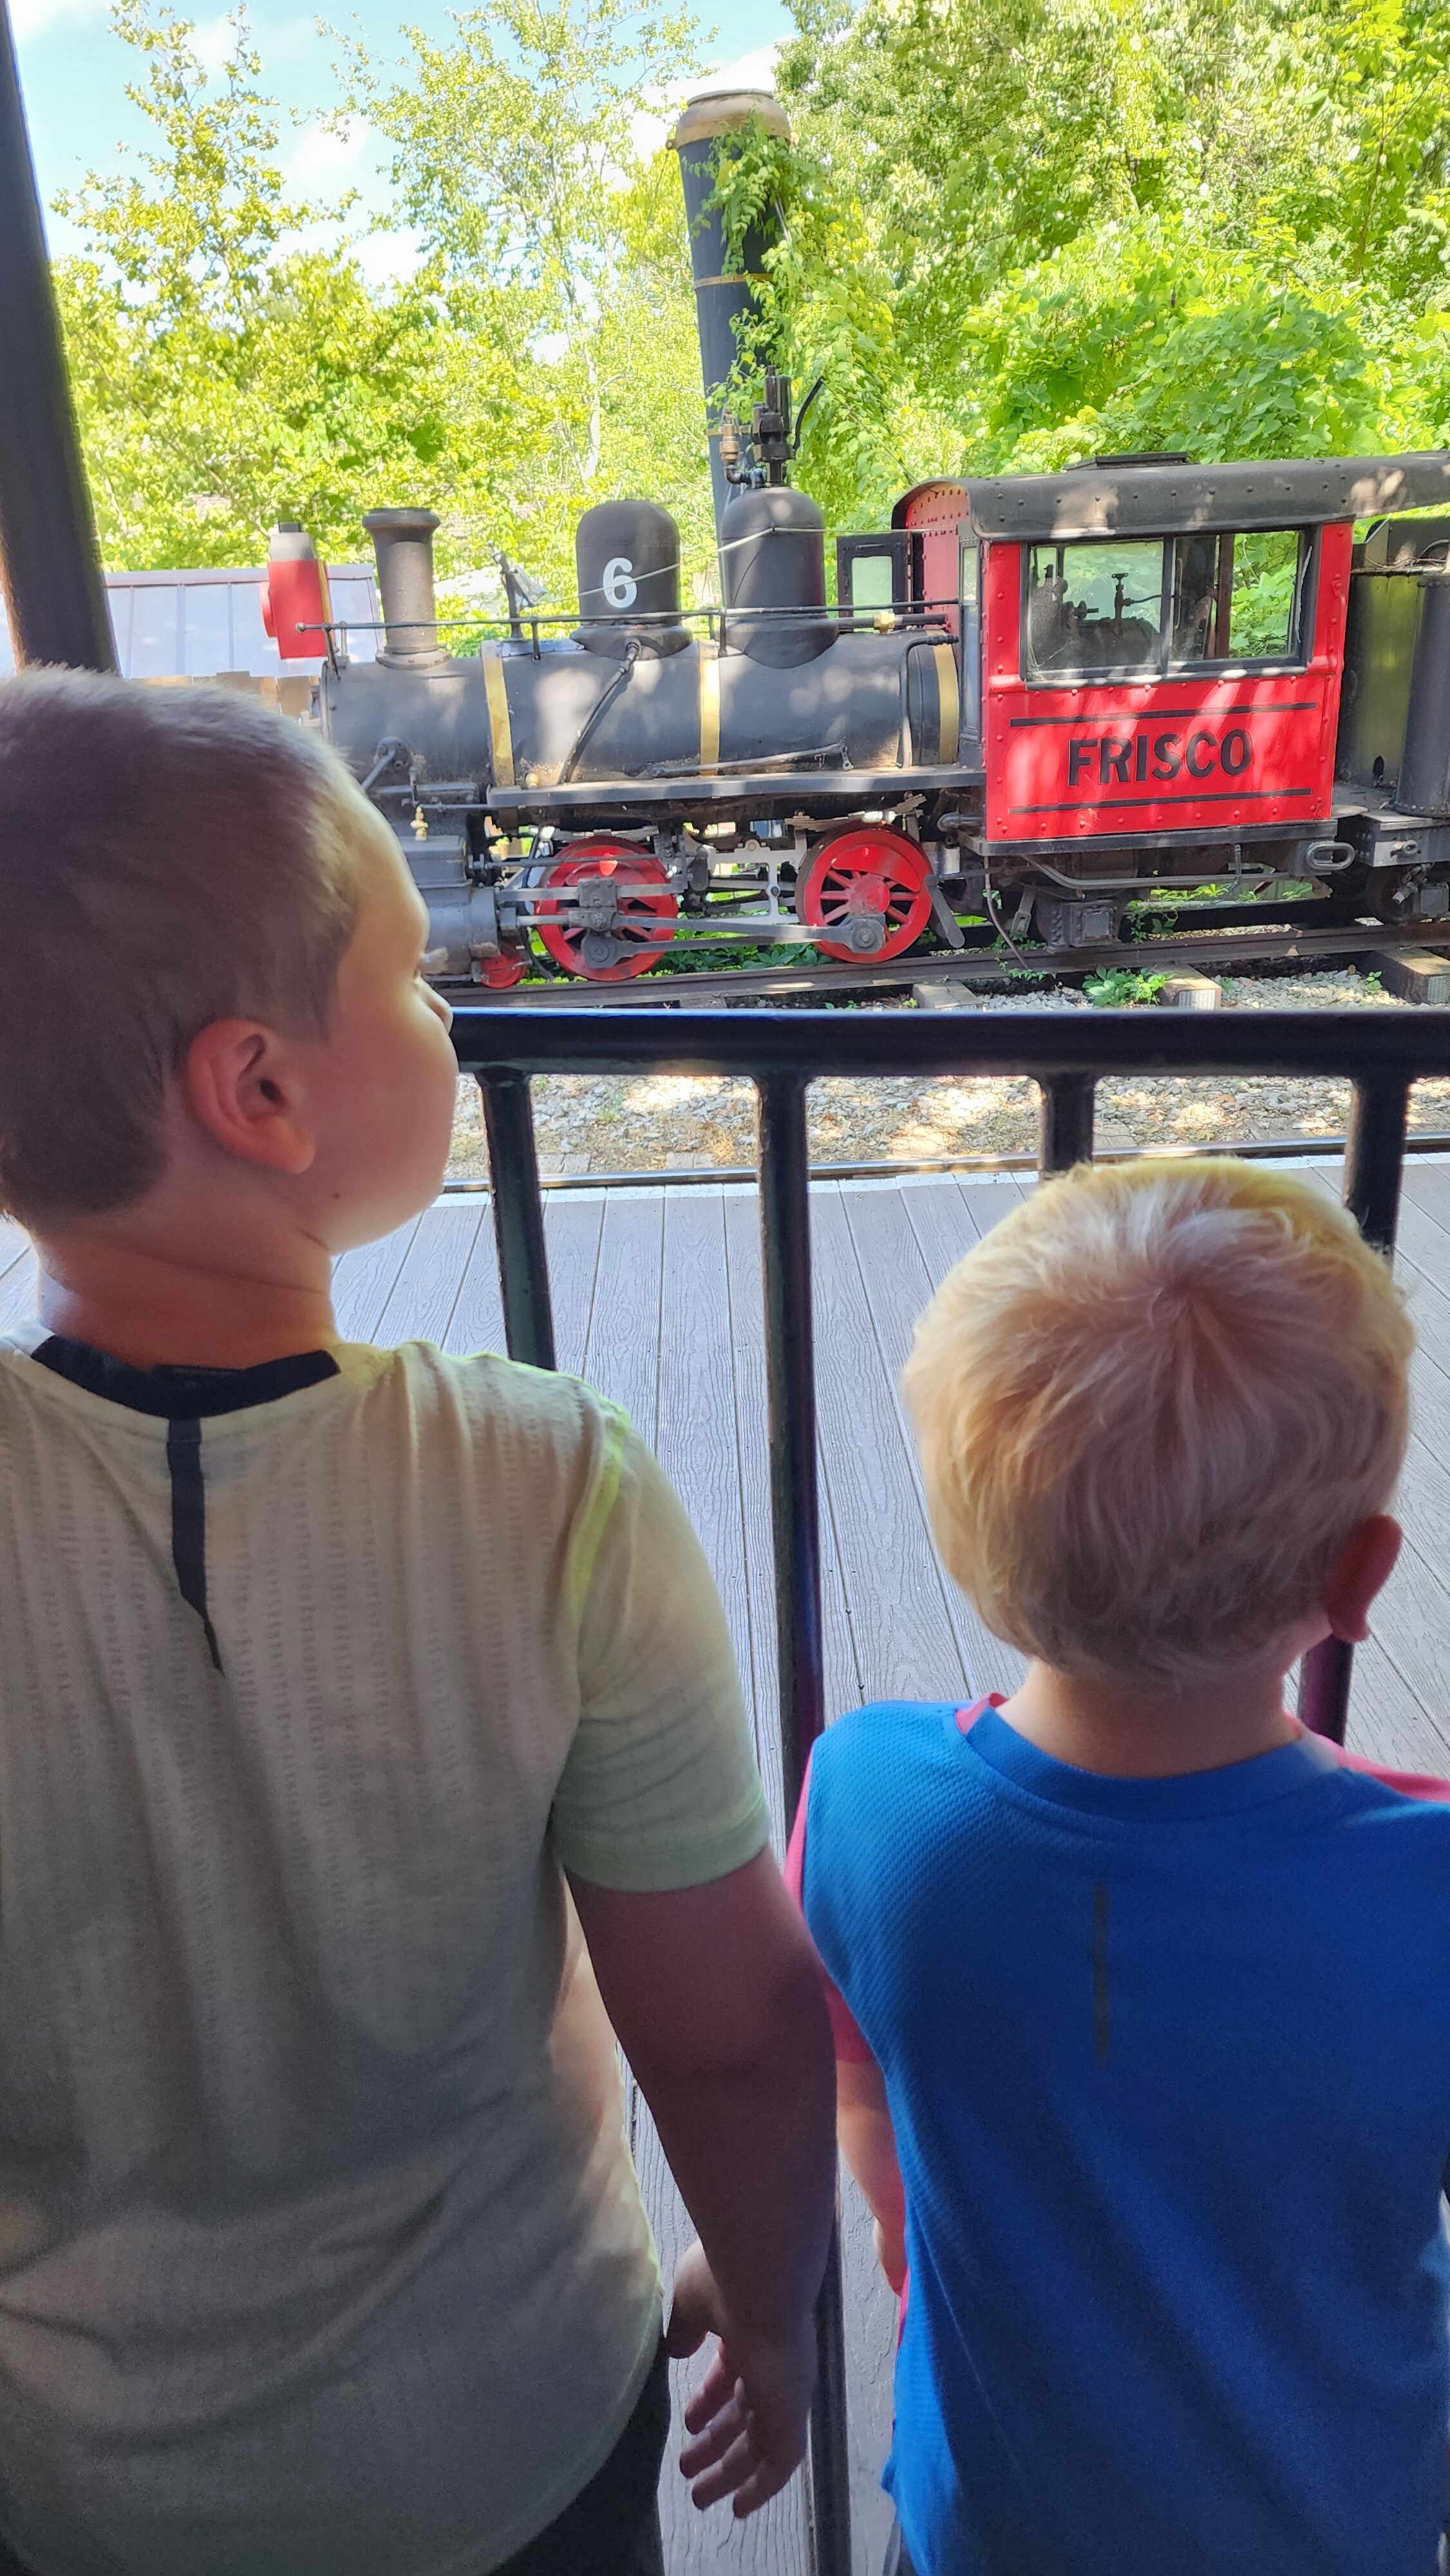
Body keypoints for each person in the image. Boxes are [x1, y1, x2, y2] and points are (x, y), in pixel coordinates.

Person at [0, 670, 836, 2576]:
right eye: (406, 975)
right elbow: (731, 2028)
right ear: (263, 1092)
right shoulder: (553, 1491)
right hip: (509, 2442)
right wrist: (773, 2301)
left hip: (79, 2496)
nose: (446, 1009)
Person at [786, 1157, 1450, 2576]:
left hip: (992, 2525)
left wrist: (915, 2255)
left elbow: (854, 2076)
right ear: (1359, 1576)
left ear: (970, 1544)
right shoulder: (1425, 1886)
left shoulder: (869, 1794)